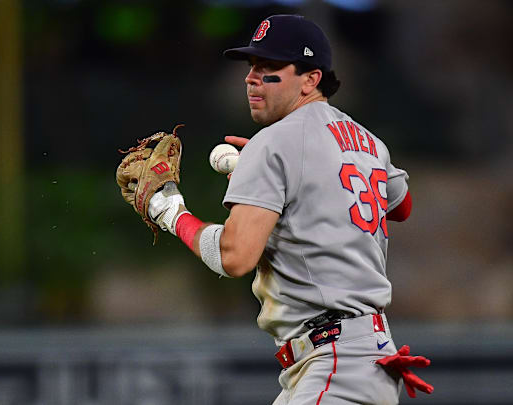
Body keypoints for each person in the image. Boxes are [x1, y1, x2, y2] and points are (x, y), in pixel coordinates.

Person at [145, 14, 432, 404]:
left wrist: (171, 213)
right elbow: (402, 206)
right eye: (252, 67)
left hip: (335, 364)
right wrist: (295, 182)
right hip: (367, 358)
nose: (252, 78)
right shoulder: (367, 141)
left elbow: (234, 256)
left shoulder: (274, 143)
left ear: (311, 78)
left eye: (270, 68)